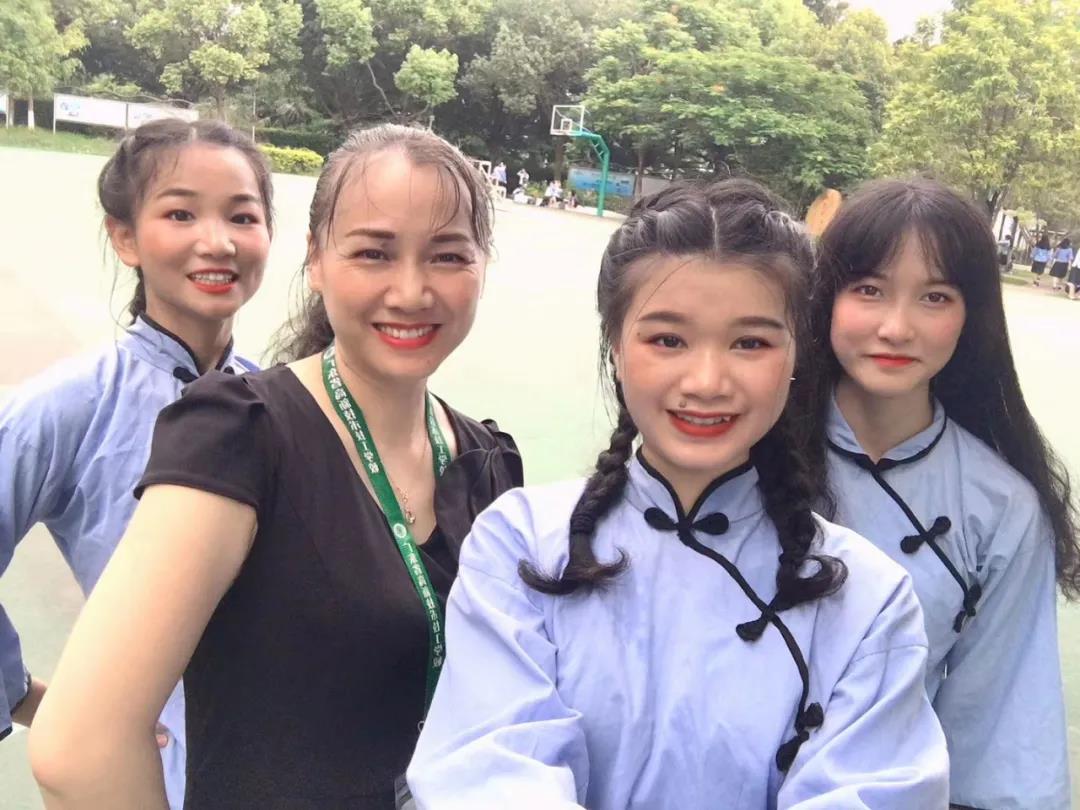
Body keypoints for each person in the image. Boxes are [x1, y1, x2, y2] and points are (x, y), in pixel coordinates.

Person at [407, 179, 949, 808]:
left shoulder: (869, 598)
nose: (707, 381)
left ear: (796, 355)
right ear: (615, 346)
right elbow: (489, 772)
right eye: (668, 339)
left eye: (750, 342)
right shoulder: (520, 543)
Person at [30, 124, 523, 809]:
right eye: (374, 252)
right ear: (315, 259)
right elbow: (79, 750)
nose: (412, 291)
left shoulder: (489, 463)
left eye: (447, 256)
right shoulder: (239, 436)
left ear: (482, 265)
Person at [1, 118, 273, 810]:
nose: (218, 241)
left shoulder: (280, 402)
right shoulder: (70, 406)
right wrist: (26, 695)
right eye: (181, 214)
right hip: (153, 775)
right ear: (125, 238)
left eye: (242, 216)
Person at [801, 178, 1075, 809]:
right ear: (826, 298)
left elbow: (1001, 732)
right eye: (868, 289)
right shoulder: (749, 453)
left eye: (934, 296)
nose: (896, 327)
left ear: (971, 316)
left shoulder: (1003, 509)